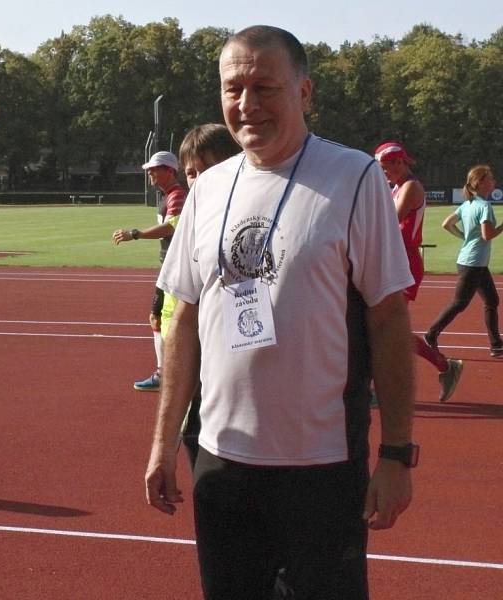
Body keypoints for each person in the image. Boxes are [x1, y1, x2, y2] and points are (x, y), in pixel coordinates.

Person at [145, 26, 417, 600]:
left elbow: (389, 319)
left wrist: (396, 454)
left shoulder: (354, 178)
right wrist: (164, 442)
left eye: (264, 86)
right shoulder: (208, 189)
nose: (247, 104)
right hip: (220, 459)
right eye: (233, 87)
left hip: (320, 464)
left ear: (305, 91)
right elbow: (185, 320)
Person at [374, 141, 463, 402]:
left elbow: (386, 224)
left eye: (385, 168)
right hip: (392, 261)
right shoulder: (396, 187)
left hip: (404, 264)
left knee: (385, 329)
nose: (383, 173)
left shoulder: (411, 188)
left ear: (398, 163)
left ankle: (379, 389)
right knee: (386, 329)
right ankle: (445, 366)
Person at [173, 124, 240, 468]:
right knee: (194, 439)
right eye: (191, 173)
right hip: (203, 369)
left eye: (207, 169)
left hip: (244, 373)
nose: (199, 180)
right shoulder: (195, 218)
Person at [112, 150, 187, 391]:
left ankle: (169, 374)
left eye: (154, 170)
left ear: (169, 171)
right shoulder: (167, 196)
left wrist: (136, 234)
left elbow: (171, 228)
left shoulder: (177, 195)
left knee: (167, 320)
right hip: (168, 266)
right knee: (159, 319)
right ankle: (167, 372)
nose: (150, 174)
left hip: (175, 269)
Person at [425, 165, 503, 358]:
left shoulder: (467, 204)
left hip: (474, 262)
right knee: (460, 303)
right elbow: (487, 235)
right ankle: (431, 334)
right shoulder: (484, 206)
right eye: (491, 178)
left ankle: (496, 345)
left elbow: (446, 224)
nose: (494, 181)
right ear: (481, 182)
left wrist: (464, 237)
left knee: (492, 300)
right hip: (473, 263)